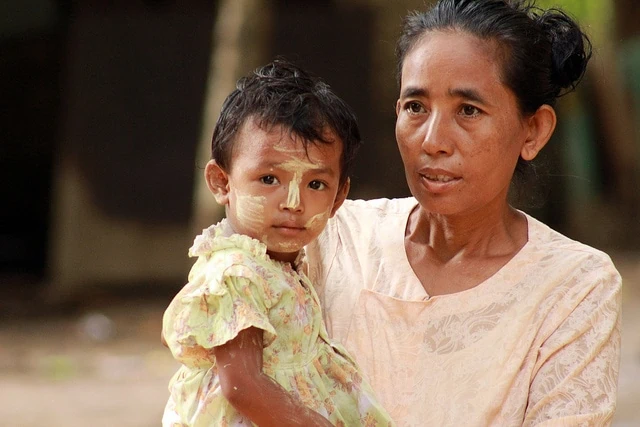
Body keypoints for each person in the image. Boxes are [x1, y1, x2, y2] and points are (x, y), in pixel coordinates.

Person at [305, 0, 622, 425]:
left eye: (468, 111)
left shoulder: (573, 288)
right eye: (416, 106)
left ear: (533, 130)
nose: (433, 141)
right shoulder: (332, 237)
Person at [161, 59, 394, 426]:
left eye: (316, 184)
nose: (293, 202)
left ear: (338, 198)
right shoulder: (236, 273)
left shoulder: (279, 264)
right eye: (269, 179)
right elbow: (242, 386)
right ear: (222, 182)